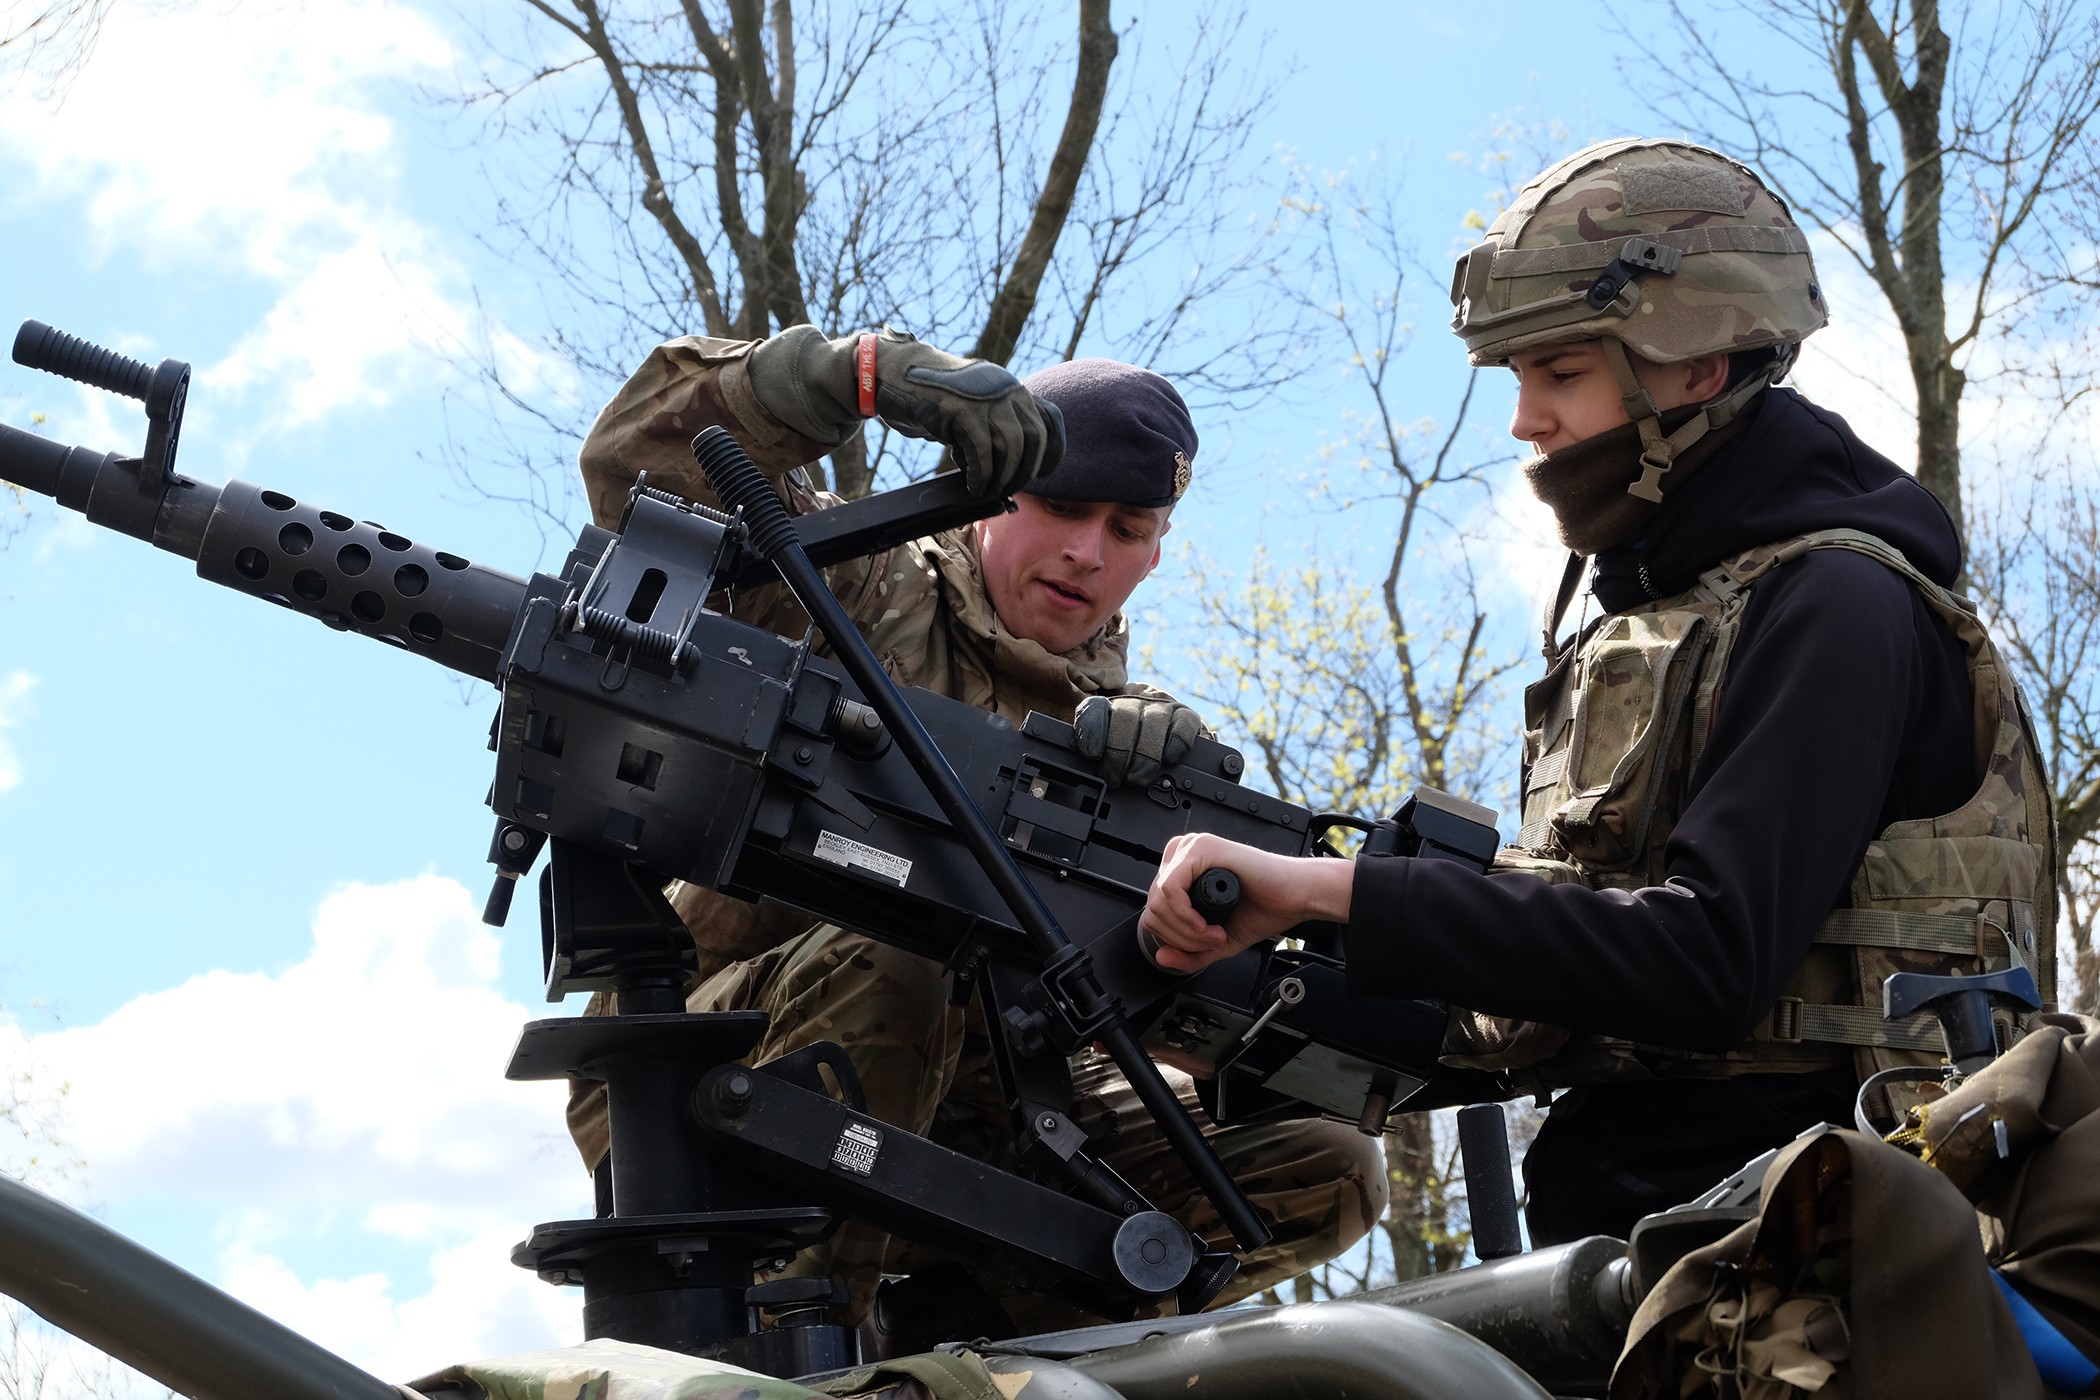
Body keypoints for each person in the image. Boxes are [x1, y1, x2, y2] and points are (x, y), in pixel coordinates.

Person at [1139, 138, 2057, 1247]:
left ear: (1699, 368)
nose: (1526, 419)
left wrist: (1340, 891)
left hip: (1817, 1269)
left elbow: (1707, 963)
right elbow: (1550, 997)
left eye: (1561, 374)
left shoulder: (1838, 604)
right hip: (1653, 1249)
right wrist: (1236, 997)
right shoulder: (1657, 618)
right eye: (1518, 377)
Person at [565, 325, 1387, 1339]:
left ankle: (937, 1346)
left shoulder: (1142, 753)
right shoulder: (850, 587)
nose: (1088, 552)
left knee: (1328, 1165)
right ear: (992, 490)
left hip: (985, 1118)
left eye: (1128, 528)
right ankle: (789, 1345)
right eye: (1064, 506)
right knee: (908, 947)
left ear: (1157, 551)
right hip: (725, 1078)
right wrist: (850, 376)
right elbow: (633, 469)